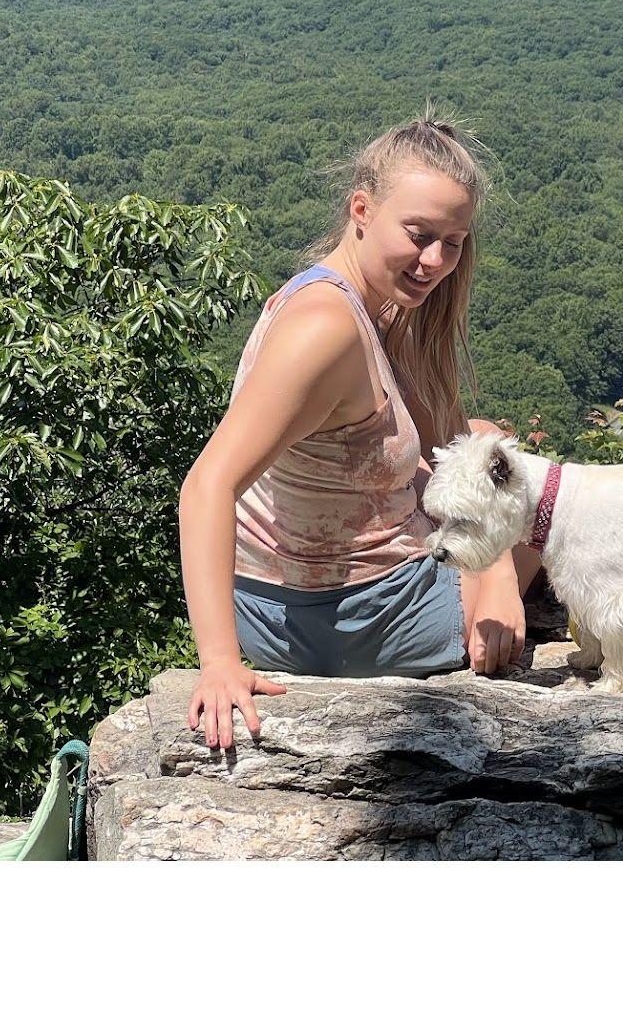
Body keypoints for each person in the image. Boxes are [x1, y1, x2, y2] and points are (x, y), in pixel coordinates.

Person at [179, 113, 539, 749]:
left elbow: (451, 443)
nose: (435, 261)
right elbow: (206, 485)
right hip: (347, 620)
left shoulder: (372, 302)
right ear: (362, 208)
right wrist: (218, 664)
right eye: (419, 234)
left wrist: (497, 572)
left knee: (487, 440)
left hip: (307, 604)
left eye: (453, 241)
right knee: (545, 496)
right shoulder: (327, 328)